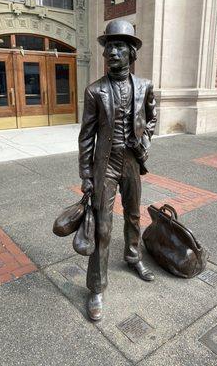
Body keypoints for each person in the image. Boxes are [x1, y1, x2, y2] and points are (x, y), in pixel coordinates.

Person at [78, 20, 157, 321]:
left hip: (133, 163)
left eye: (119, 47)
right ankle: (96, 287)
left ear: (131, 53)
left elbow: (152, 117)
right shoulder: (94, 91)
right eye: (109, 47)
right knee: (102, 225)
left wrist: (145, 140)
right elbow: (86, 136)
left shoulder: (145, 85)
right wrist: (86, 175)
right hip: (106, 165)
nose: (112, 52)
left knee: (134, 215)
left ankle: (133, 256)